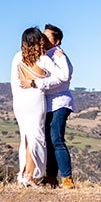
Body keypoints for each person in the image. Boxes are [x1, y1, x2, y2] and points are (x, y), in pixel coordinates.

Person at [10, 27, 69, 187]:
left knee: (26, 138)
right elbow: (64, 76)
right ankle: (29, 175)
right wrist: (61, 57)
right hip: (35, 100)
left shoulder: (17, 58)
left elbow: (14, 83)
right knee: (36, 137)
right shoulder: (43, 59)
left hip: (20, 101)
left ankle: (23, 175)